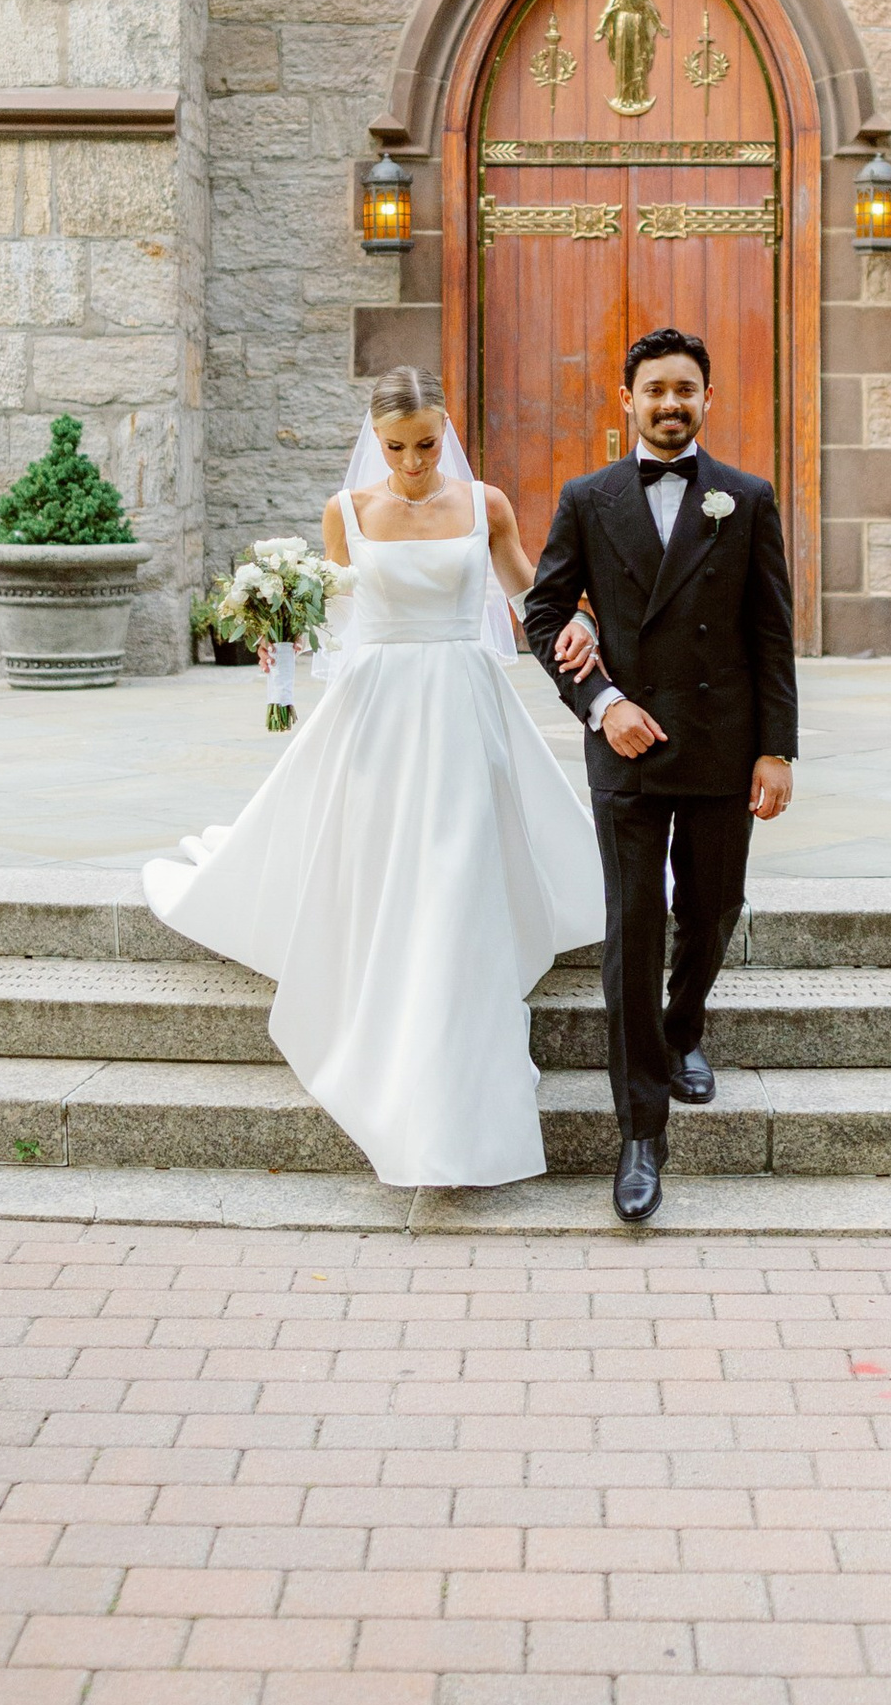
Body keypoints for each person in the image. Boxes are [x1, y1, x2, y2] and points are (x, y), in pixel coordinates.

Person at [143, 368, 603, 1189]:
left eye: (427, 444)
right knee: (391, 858)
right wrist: (280, 636)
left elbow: (526, 588)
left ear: (447, 431)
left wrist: (576, 618)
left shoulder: (485, 503)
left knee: (460, 867)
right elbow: (333, 612)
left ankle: (458, 1053)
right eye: (396, 447)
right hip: (379, 707)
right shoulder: (346, 513)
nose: (415, 461)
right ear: (374, 440)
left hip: (465, 700)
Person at [522, 326, 799, 1225]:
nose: (671, 404)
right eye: (655, 391)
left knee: (712, 909)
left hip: (724, 744)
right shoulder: (588, 497)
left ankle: (684, 1029)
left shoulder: (747, 498)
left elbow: (770, 633)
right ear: (627, 401)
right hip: (629, 748)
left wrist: (776, 749)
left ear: (707, 400)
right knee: (634, 931)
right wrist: (603, 701)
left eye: (686, 390)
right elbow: (545, 614)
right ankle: (641, 1133)